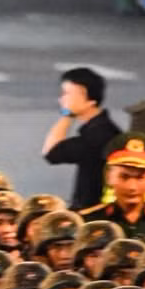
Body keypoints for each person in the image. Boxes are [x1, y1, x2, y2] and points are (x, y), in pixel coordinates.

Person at [41, 68, 123, 211]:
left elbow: (50, 152)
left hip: (93, 211)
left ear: (87, 97)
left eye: (66, 93)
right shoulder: (102, 128)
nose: (61, 99)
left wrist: (67, 114)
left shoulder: (98, 135)